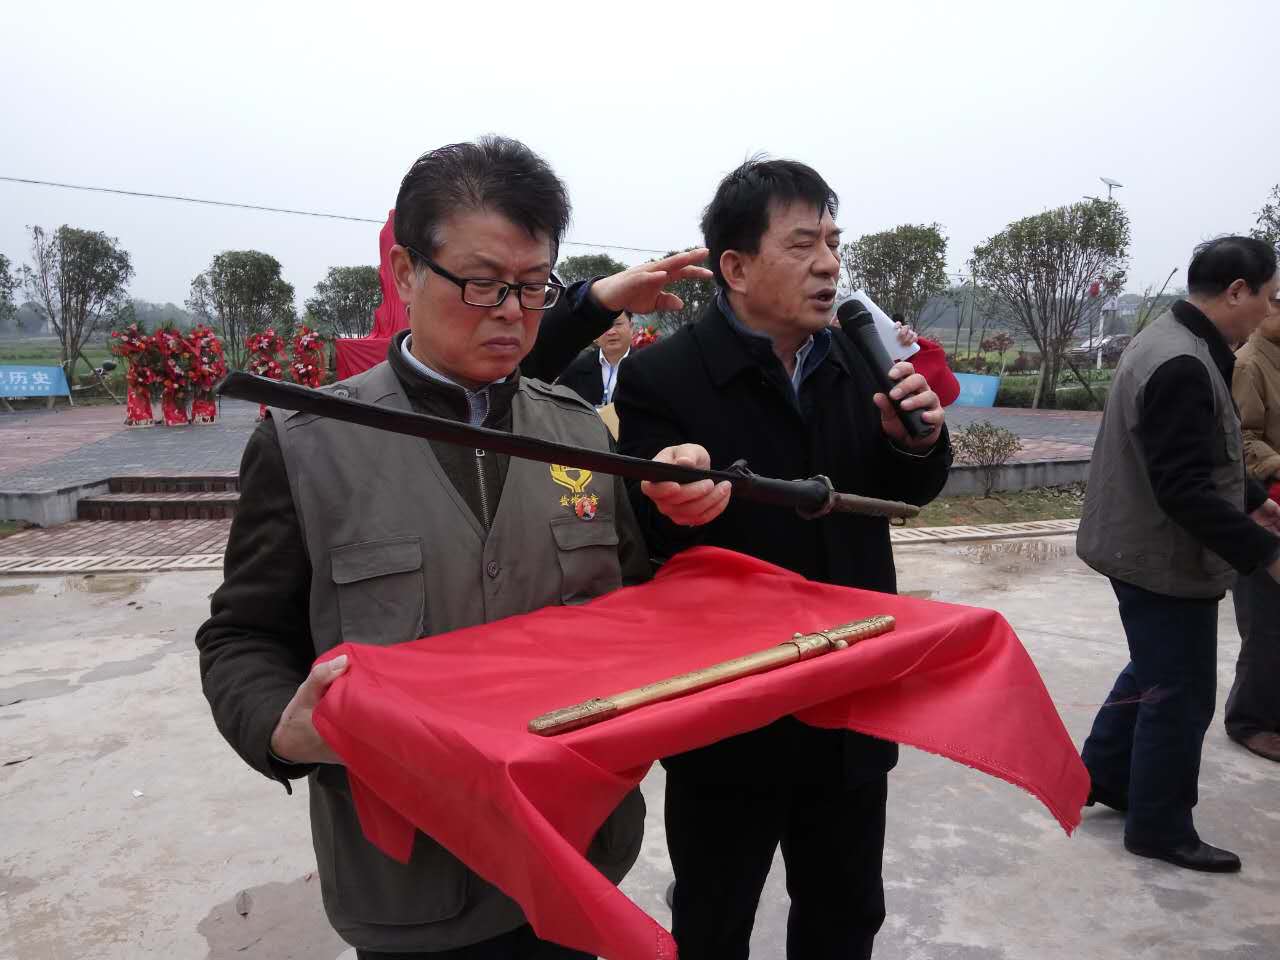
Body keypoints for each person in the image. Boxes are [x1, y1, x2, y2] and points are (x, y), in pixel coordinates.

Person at [195, 136, 712, 959]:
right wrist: (281, 732)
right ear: (405, 273)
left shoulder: (578, 436)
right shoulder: (309, 444)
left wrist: (684, 511)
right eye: (481, 282)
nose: (510, 311)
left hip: (574, 852)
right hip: (409, 885)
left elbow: (631, 604)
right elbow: (242, 634)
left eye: (534, 286)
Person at [615, 157, 950, 959]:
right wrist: (672, 498)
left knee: (846, 911)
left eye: (833, 241)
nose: (829, 263)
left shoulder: (857, 358)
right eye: (803, 245)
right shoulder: (664, 377)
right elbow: (645, 532)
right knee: (714, 913)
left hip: (850, 690)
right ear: (734, 268)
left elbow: (907, 490)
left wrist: (918, 443)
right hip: (729, 707)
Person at [1076, 236, 1280, 873]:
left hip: (1135, 541)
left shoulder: (1176, 339)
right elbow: (1182, 488)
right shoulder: (1183, 361)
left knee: (1154, 668)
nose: (1268, 310)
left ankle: (1106, 773)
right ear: (1238, 291)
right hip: (1159, 556)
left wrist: (1252, 500)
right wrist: (1265, 554)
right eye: (1270, 296)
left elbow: (1200, 450)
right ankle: (1160, 828)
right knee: (1182, 692)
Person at [1226, 295, 1280, 761]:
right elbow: (1240, 441)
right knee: (1265, 623)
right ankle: (1250, 721)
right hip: (1266, 503)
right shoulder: (1248, 364)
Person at [556, 310, 635, 406]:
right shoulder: (576, 368)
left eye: (618, 324)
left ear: (631, 327)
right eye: (605, 325)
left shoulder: (645, 367)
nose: (611, 332)